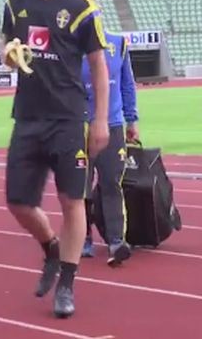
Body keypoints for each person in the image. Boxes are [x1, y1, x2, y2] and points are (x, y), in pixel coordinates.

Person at [0, 0, 110, 319]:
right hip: (28, 117)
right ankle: (50, 246)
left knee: (71, 200)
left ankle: (67, 282)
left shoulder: (82, 7)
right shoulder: (16, 4)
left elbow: (98, 67)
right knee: (18, 202)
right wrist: (8, 56)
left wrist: (100, 120)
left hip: (68, 119)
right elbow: (8, 49)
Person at [80, 30, 139, 267]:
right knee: (79, 186)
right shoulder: (68, 45)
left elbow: (127, 83)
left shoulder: (118, 43)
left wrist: (131, 120)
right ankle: (83, 238)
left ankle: (116, 241)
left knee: (112, 184)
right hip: (79, 127)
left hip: (112, 125)